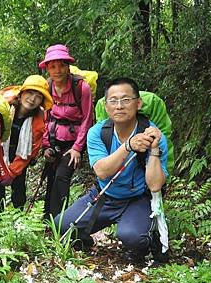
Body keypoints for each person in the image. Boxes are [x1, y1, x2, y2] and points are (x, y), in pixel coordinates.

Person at [55, 77, 169, 263]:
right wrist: (128, 147)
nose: (119, 106)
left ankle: (147, 237)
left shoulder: (153, 134)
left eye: (126, 100)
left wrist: (154, 150)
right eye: (113, 101)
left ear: (138, 103)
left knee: (132, 236)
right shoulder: (98, 133)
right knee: (62, 225)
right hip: (105, 195)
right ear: (106, 107)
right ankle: (84, 238)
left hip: (138, 198)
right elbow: (101, 171)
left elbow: (155, 185)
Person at [39, 44, 94, 219]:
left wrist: (78, 147)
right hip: (54, 139)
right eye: (53, 66)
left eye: (61, 65)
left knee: (62, 177)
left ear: (68, 66)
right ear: (47, 68)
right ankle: (46, 220)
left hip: (74, 141)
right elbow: (45, 117)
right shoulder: (47, 87)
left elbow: (87, 119)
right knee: (51, 176)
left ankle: (59, 222)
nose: (58, 70)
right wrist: (46, 145)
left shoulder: (81, 87)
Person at [0, 75, 53, 210]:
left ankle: (19, 216)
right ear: (21, 93)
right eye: (30, 93)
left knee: (18, 187)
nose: (32, 99)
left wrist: (12, 172)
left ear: (41, 101)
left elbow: (31, 151)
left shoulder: (38, 122)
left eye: (38, 96)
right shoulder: (4, 108)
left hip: (22, 154)